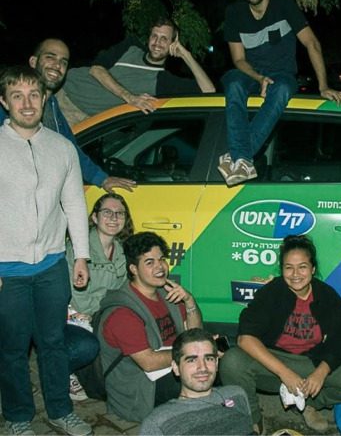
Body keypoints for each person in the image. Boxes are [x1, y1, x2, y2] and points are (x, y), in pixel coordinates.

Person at [0, 66, 92, 436]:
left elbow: (74, 204)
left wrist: (81, 255)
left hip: (52, 266)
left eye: (34, 95)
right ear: (4, 101)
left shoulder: (62, 148)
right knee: (12, 349)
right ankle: (18, 418)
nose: (27, 103)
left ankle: (60, 411)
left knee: (54, 343)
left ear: (44, 98)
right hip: (8, 270)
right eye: (17, 95)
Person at [220, 234, 341, 434]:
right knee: (232, 361)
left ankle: (310, 404)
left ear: (313, 269)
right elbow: (245, 338)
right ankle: (252, 419)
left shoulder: (326, 295)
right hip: (275, 362)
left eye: (302, 267)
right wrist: (285, 373)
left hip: (311, 361)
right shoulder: (271, 292)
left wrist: (321, 372)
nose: (295, 274)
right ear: (282, 269)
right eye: (288, 267)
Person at [218, 0, 341, 187]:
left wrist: (323, 86)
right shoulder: (234, 12)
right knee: (233, 83)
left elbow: (311, 43)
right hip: (250, 74)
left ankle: (238, 157)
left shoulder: (283, 3)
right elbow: (238, 59)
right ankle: (243, 159)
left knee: (282, 89)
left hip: (281, 74)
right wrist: (258, 78)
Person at [0, 38, 135, 192]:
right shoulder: (9, 107)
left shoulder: (52, 105)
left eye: (63, 62)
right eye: (50, 57)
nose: (57, 65)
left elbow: (70, 150)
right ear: (33, 61)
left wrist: (102, 178)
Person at [96, 231, 203, 422]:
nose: (160, 267)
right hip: (140, 391)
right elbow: (149, 362)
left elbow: (195, 335)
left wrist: (189, 301)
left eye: (161, 259)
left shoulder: (167, 294)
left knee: (219, 369)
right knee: (200, 380)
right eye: (149, 262)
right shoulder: (122, 312)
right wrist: (195, 355)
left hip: (172, 365)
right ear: (134, 269)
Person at [58, 17, 215, 124]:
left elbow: (209, 91)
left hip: (81, 118)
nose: (157, 42)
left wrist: (186, 55)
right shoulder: (131, 46)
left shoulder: (162, 81)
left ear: (172, 44)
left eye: (164, 39)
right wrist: (130, 97)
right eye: (154, 36)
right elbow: (96, 69)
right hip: (62, 91)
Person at [65, 192, 134, 400]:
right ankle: (63, 370)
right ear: (95, 217)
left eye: (120, 213)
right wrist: (100, 309)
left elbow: (122, 292)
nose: (114, 218)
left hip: (99, 312)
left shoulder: (122, 251)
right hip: (73, 314)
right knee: (86, 346)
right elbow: (78, 299)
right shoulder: (78, 249)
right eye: (107, 212)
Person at [140, 328, 252, 436]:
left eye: (209, 358)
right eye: (192, 360)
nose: (202, 367)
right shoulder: (158, 422)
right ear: (176, 368)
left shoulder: (236, 394)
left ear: (216, 364)